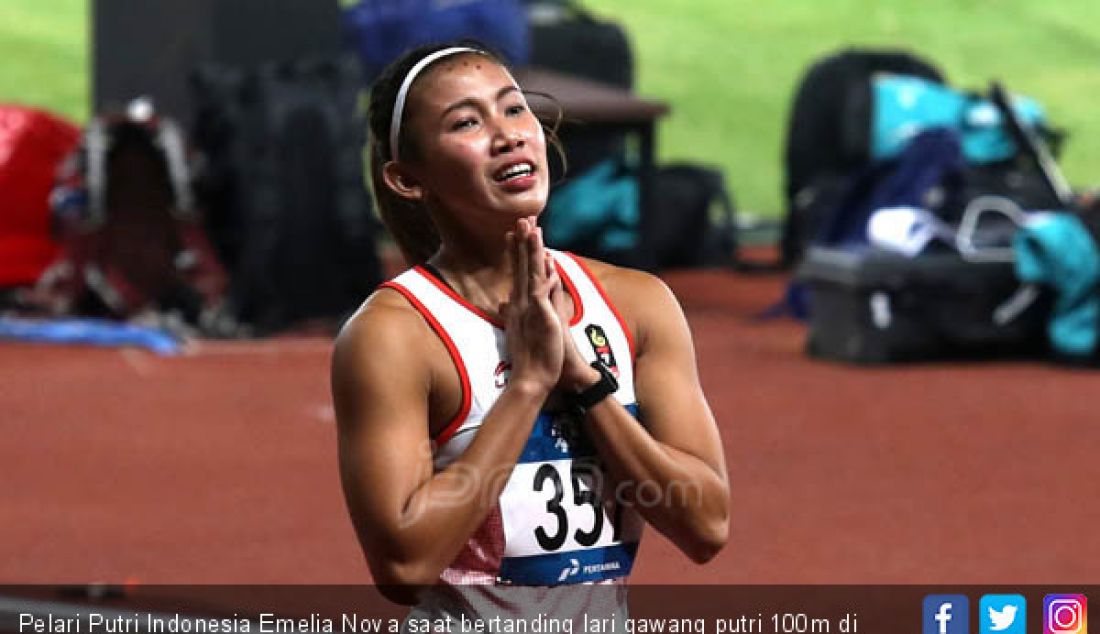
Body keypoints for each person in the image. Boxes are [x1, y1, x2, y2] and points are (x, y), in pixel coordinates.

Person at [331, 42, 729, 618]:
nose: (508, 134)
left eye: (514, 109)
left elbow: (707, 524)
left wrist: (587, 384)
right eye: (467, 122)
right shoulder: (395, 336)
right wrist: (527, 386)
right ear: (406, 178)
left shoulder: (638, 304)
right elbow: (403, 565)